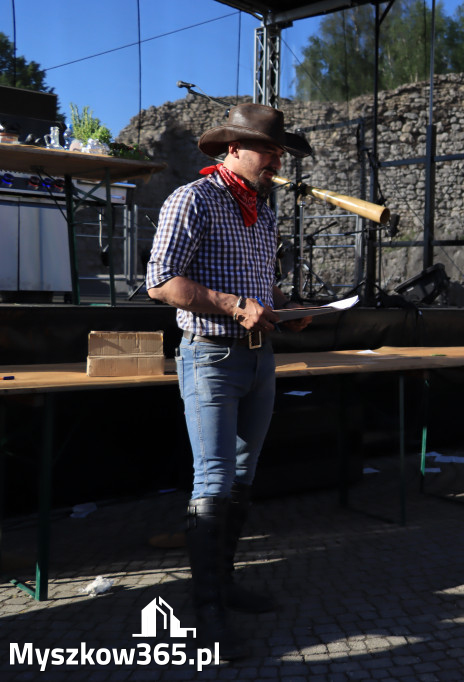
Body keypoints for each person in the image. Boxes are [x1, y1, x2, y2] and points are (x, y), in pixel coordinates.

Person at [146, 103, 314, 659]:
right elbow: (161, 281)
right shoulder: (191, 199)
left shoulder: (262, 213)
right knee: (214, 480)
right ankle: (207, 608)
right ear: (233, 148)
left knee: (242, 476)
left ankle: (225, 584)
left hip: (259, 356)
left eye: (278, 152)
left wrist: (290, 306)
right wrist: (234, 304)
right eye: (268, 150)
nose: (275, 161)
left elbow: (262, 287)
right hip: (210, 357)